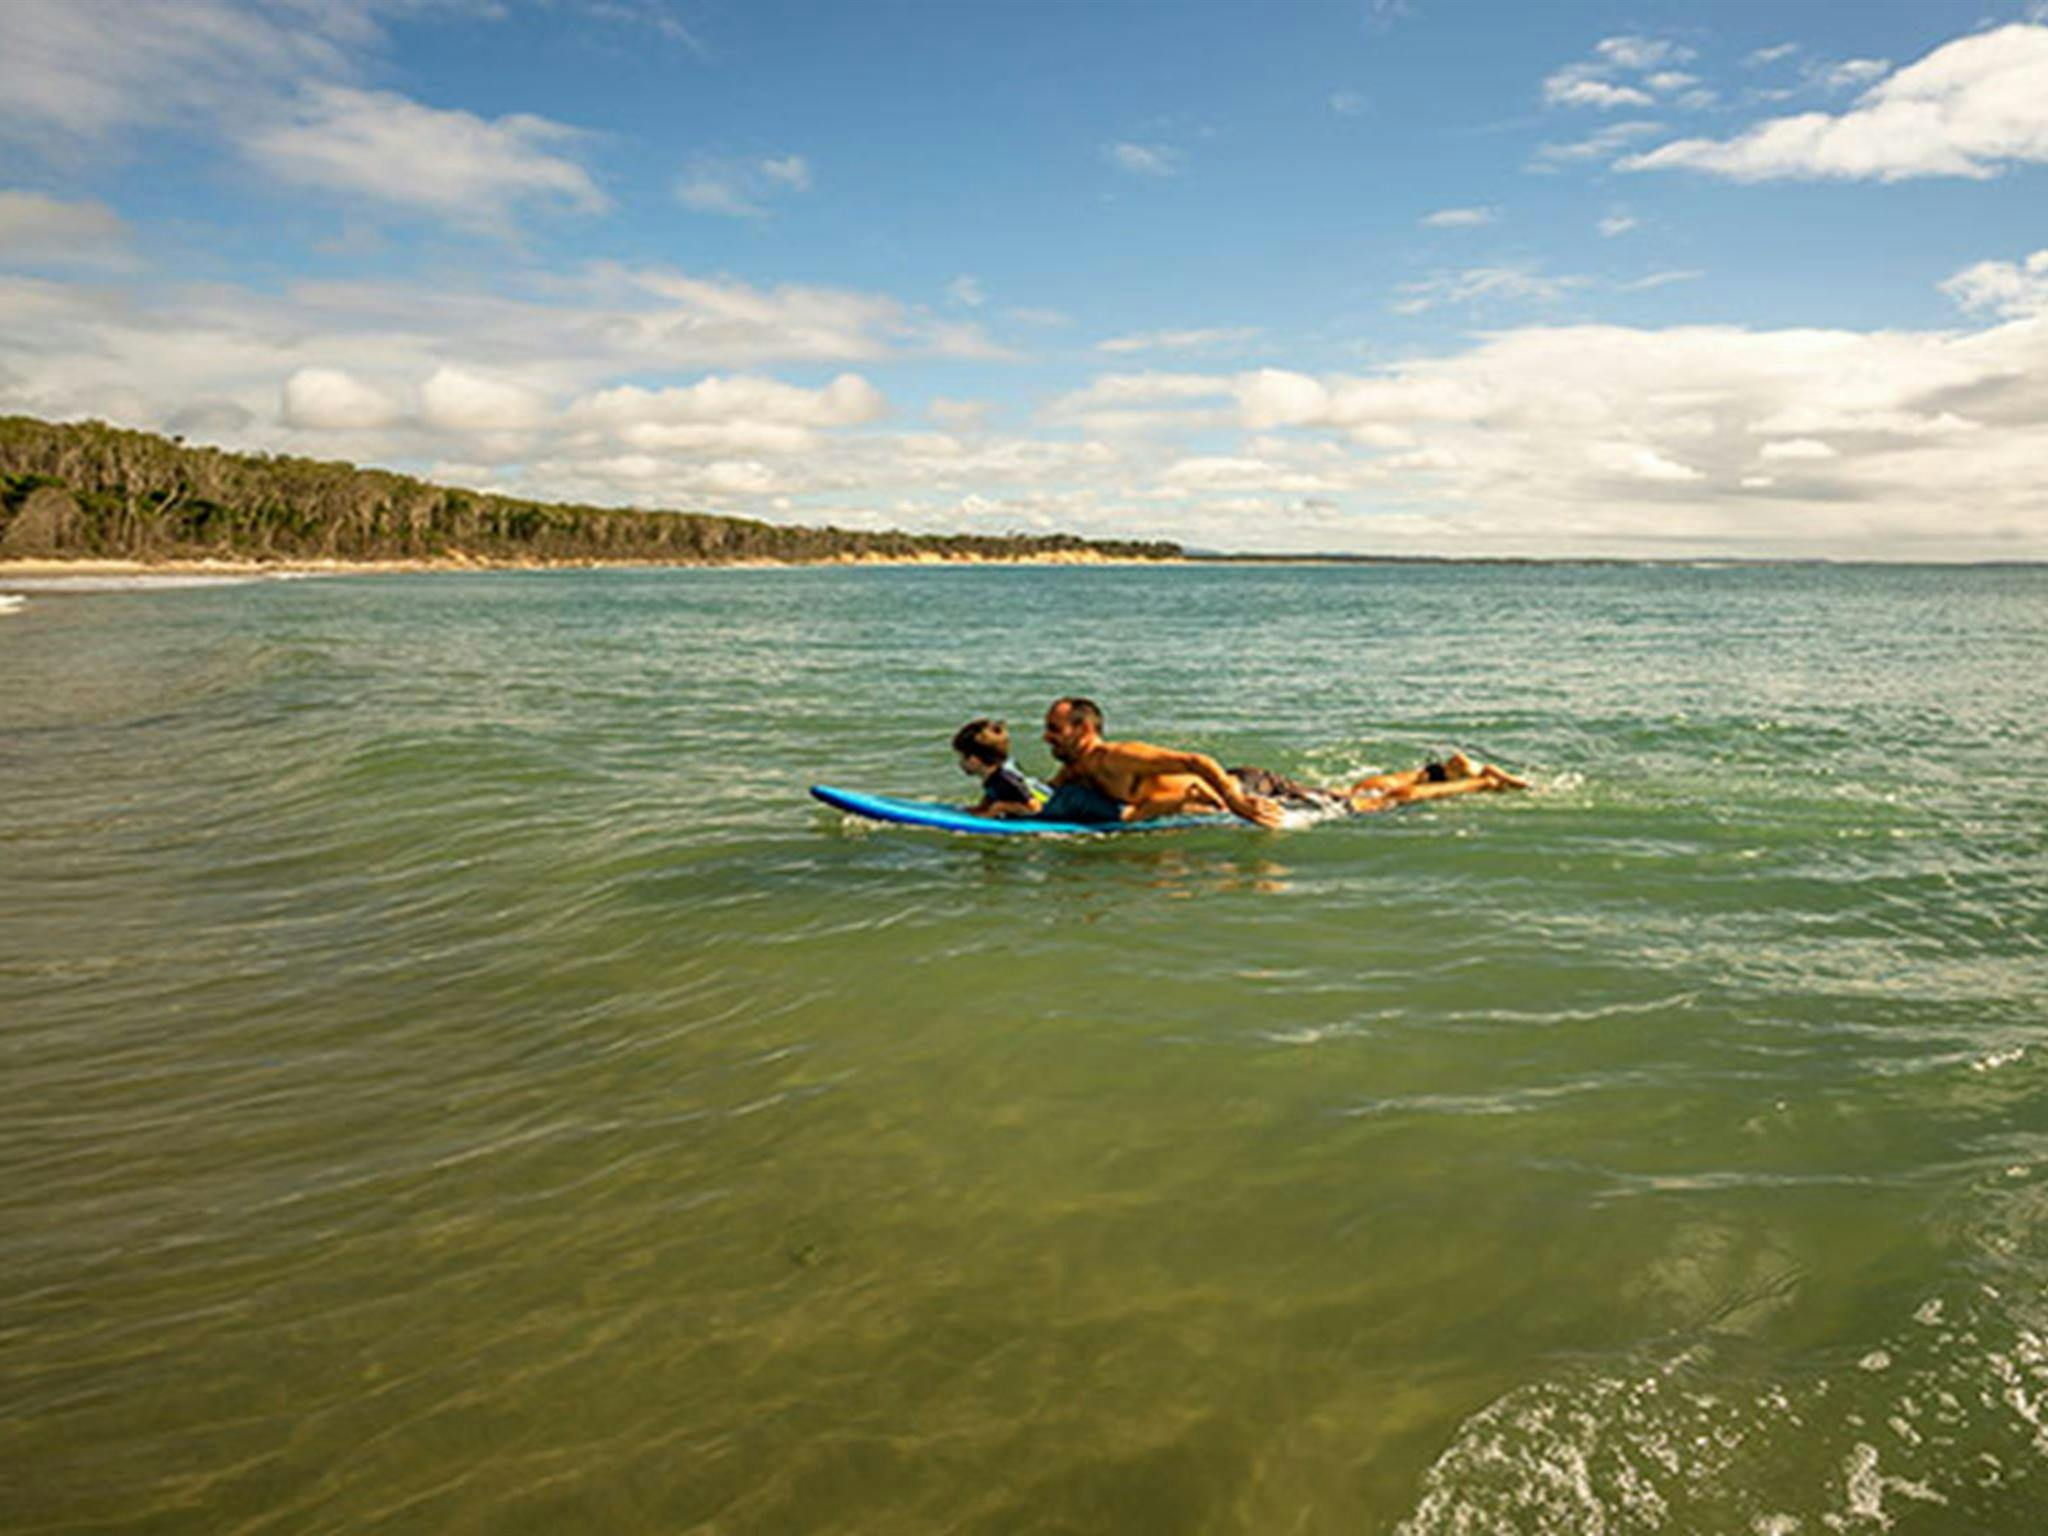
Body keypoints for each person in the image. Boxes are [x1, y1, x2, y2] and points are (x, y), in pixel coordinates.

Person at [1032, 697, 1287, 828]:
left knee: (1326, 800)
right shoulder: (1074, 769)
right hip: (1208, 798)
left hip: (1246, 786)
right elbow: (1044, 794)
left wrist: (1236, 801)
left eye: (1055, 729)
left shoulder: (1119, 757)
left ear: (1084, 729)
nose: (1046, 737)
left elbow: (1196, 761)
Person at [950, 718, 1045, 816]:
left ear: (974, 760)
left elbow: (1036, 807)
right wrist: (981, 808)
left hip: (1046, 808)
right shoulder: (991, 777)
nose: (960, 763)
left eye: (962, 758)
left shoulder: (1006, 779)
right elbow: (994, 794)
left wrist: (1000, 807)